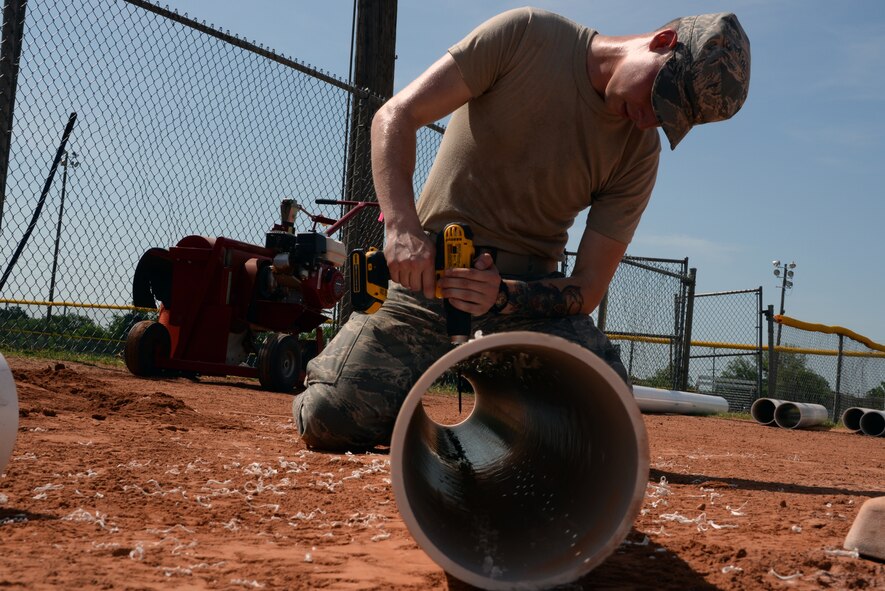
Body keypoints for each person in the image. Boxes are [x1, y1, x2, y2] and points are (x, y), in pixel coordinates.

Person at [294, 8, 751, 451]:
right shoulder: (528, 36)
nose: (650, 118)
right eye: (659, 97)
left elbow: (588, 287)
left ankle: (509, 427)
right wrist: (402, 229)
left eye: (669, 118)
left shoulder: (639, 154)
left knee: (602, 425)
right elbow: (395, 116)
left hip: (525, 300)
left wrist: (503, 295)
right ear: (661, 42)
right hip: (429, 279)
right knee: (332, 416)